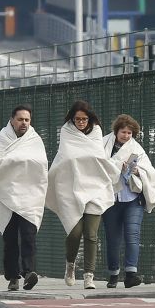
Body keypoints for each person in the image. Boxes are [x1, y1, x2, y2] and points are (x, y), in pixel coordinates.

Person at [0, 104, 48, 292]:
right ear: (12, 120)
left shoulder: (35, 139)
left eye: (27, 120)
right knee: (10, 239)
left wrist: (16, 160)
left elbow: (41, 163)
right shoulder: (2, 138)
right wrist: (21, 161)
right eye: (20, 119)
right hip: (6, 195)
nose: (24, 123)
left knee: (29, 236)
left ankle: (29, 272)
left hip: (29, 195)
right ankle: (13, 276)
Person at [45, 101, 121, 289]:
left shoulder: (96, 132)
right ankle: (70, 265)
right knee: (74, 233)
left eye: (84, 119)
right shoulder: (66, 131)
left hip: (95, 188)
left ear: (90, 119)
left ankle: (89, 276)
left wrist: (85, 159)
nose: (80, 122)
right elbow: (68, 156)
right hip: (71, 189)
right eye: (77, 119)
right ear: (72, 119)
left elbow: (97, 158)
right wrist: (84, 159)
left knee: (91, 234)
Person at [101, 114, 155, 288]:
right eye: (123, 132)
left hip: (132, 198)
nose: (126, 135)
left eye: (129, 133)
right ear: (116, 131)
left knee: (132, 236)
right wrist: (115, 167)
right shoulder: (103, 144)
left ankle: (130, 275)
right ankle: (113, 275)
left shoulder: (137, 149)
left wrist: (135, 171)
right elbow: (97, 165)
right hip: (110, 198)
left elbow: (149, 171)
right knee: (112, 239)